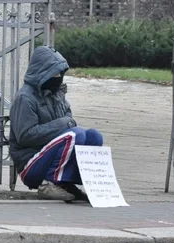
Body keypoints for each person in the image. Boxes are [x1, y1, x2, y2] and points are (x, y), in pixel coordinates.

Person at [9, 46, 103, 202]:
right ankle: (49, 184)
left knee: (94, 136)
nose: (58, 77)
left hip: (50, 154)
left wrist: (64, 125)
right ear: (42, 72)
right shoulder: (25, 98)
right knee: (76, 134)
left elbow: (68, 122)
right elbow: (25, 136)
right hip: (30, 163)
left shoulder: (57, 94)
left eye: (60, 73)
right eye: (54, 73)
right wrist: (62, 124)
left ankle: (67, 183)